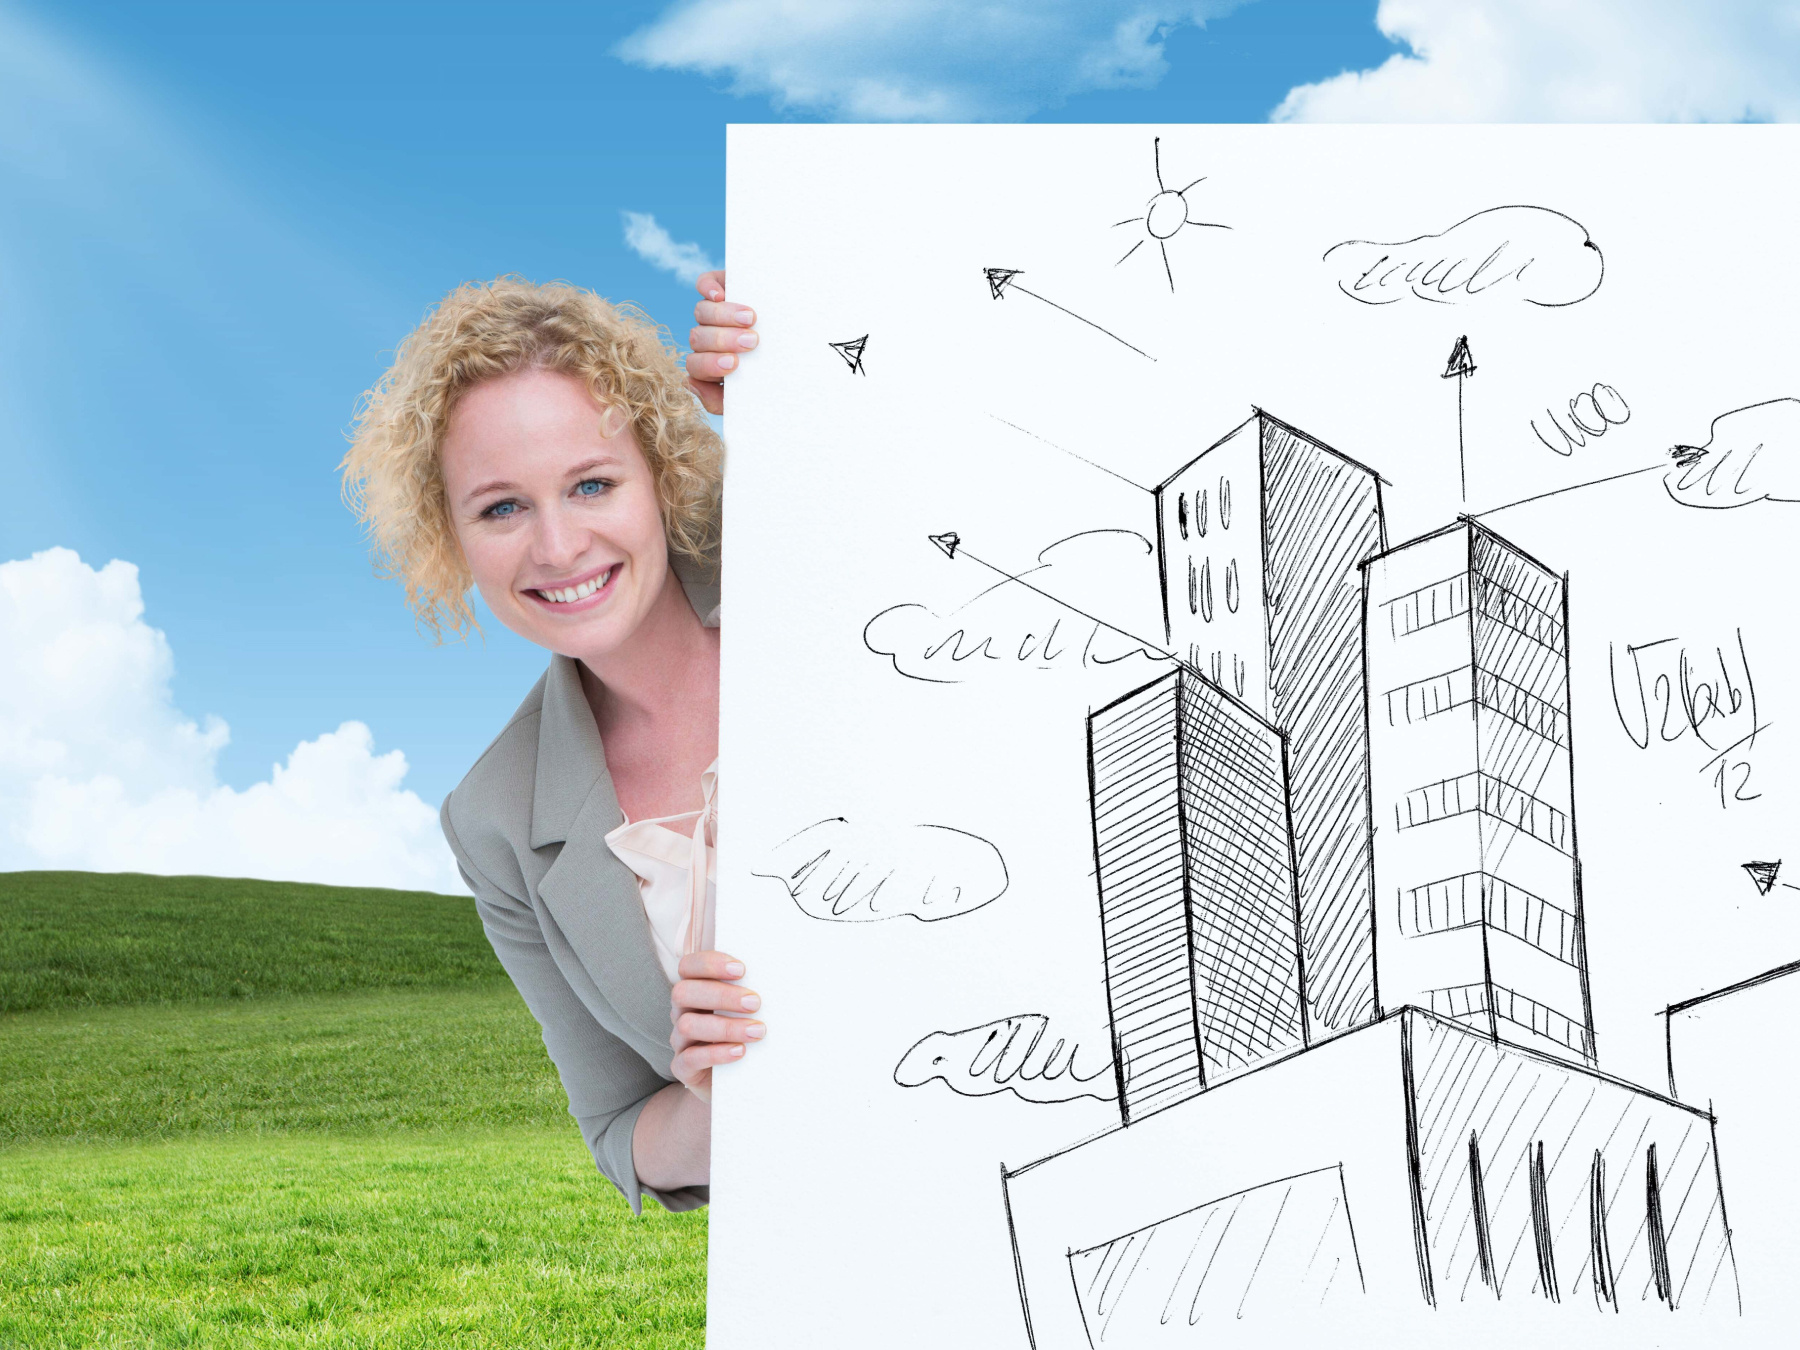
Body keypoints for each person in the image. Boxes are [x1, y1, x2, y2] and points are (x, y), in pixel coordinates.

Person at [340, 271, 757, 1213]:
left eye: (593, 484)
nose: (559, 547)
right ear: (448, 537)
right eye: (500, 507)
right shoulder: (493, 818)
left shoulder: (811, 570)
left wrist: (793, 400)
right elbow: (622, 1133)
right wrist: (711, 1097)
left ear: (663, 473)